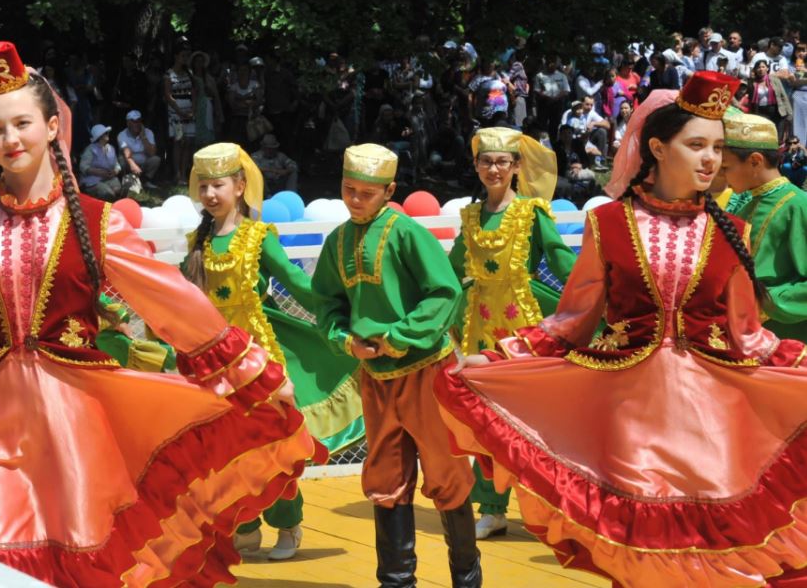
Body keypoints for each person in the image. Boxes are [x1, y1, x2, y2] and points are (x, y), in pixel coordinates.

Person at [0, 41, 325, 586]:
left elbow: (172, 300)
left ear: (52, 126)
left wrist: (251, 372)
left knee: (81, 555)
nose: (10, 139)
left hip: (73, 420)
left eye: (22, 123)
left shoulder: (97, 223)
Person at [435, 71, 807, 588]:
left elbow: (749, 336)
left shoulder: (732, 231)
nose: (711, 160)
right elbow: (570, 322)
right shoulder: (608, 223)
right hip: (631, 418)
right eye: (696, 145)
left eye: (718, 148)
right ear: (657, 147)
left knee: (718, 560)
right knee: (639, 557)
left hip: (714, 423)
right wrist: (499, 359)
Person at [184, 143, 364, 561]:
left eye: (218, 185)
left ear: (239, 186)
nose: (210, 194)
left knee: (273, 450)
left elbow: (297, 284)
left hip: (260, 363)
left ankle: (288, 523)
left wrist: (344, 310)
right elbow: (181, 299)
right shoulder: (198, 243)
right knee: (228, 452)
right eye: (204, 186)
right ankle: (244, 527)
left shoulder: (257, 237)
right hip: (216, 367)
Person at [312, 143, 480, 588]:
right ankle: (396, 581)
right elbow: (326, 303)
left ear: (389, 191)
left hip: (427, 372)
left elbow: (444, 292)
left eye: (366, 193)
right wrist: (345, 340)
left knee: (447, 473)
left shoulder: (407, 233)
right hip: (376, 376)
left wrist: (400, 336)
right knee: (386, 479)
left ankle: (466, 579)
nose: (355, 199)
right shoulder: (338, 241)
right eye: (349, 189)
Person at [447, 128, 575, 540]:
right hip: (480, 328)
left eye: (502, 161)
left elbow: (559, 258)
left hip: (523, 328)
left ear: (517, 166)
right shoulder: (471, 216)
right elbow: (449, 270)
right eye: (486, 161)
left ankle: (553, 506)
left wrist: (595, 292)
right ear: (476, 166)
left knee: (535, 421)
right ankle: (492, 507)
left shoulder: (531, 213)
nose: (494, 169)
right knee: (486, 420)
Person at [721, 112, 807, 342]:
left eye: (726, 167)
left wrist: (767, 302)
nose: (722, 176)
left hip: (787, 338)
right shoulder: (745, 206)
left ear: (755, 161)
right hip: (744, 335)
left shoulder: (799, 205)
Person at [163, 44, 196, 181]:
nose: (185, 58)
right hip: (175, 112)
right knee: (178, 141)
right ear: (176, 56)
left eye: (187, 56)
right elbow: (168, 95)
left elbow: (194, 93)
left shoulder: (189, 73)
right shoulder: (168, 74)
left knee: (188, 142)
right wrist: (179, 112)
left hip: (189, 110)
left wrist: (193, 110)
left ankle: (183, 174)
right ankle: (177, 174)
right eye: (183, 55)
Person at [78, 123, 124, 201]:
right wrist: (98, 172)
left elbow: (117, 165)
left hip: (109, 178)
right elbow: (83, 166)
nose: (108, 134)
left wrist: (115, 171)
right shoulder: (90, 149)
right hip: (93, 181)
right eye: (105, 133)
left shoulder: (111, 148)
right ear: (100, 136)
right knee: (108, 195)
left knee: (119, 191)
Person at [117, 109, 161, 186]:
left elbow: (152, 153)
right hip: (129, 163)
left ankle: (145, 180)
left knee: (156, 159)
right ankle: (128, 180)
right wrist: (133, 165)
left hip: (144, 163)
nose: (137, 124)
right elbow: (126, 153)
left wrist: (143, 137)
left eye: (139, 121)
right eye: (134, 121)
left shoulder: (148, 132)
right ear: (128, 123)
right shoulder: (122, 135)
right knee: (121, 160)